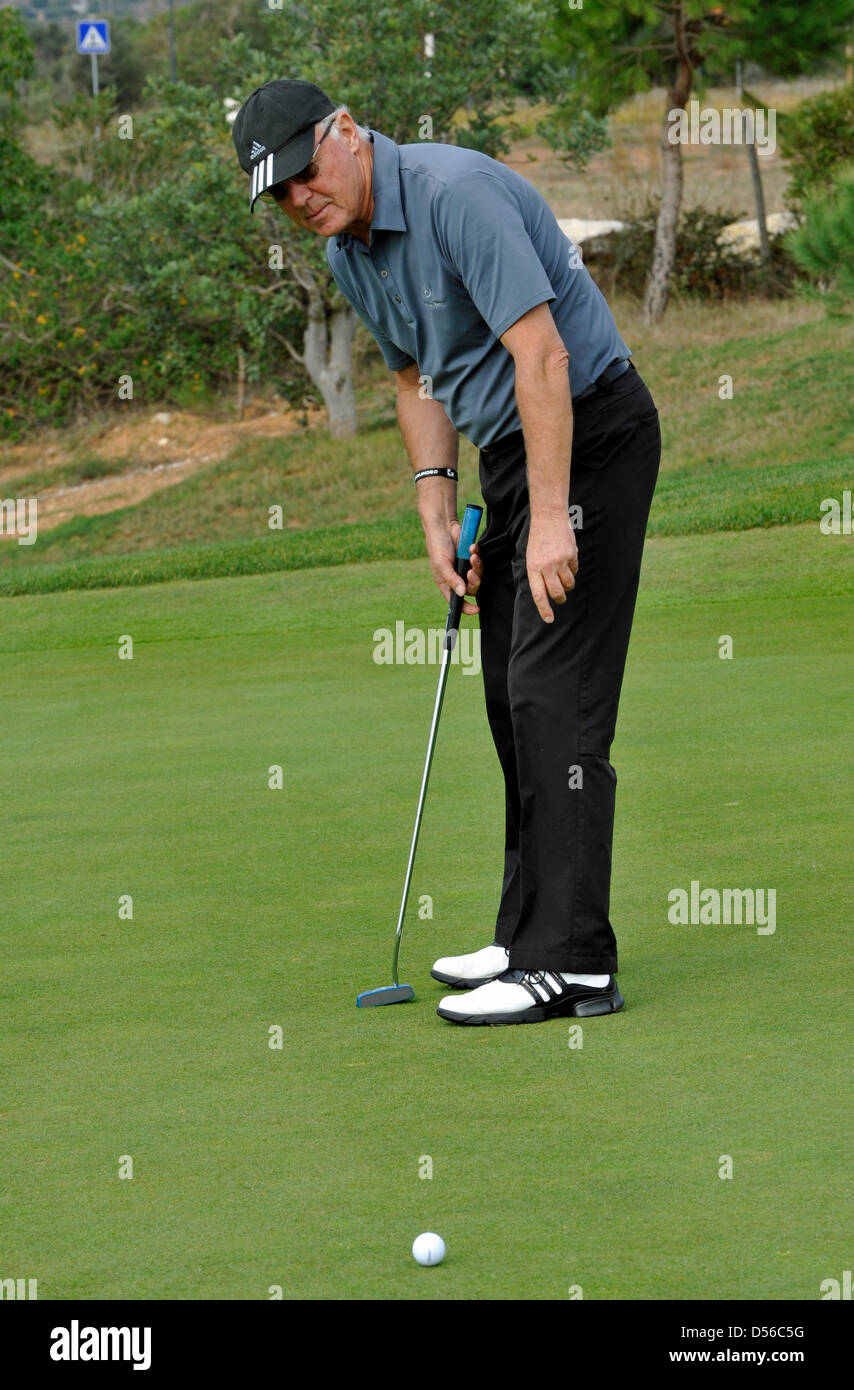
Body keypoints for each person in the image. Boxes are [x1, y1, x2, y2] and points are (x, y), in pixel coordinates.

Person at [232, 80, 661, 1027]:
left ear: (345, 132)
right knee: (511, 696)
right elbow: (414, 374)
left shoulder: (453, 194)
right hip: (518, 455)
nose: (301, 199)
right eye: (281, 194)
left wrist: (551, 517)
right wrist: (437, 503)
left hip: (588, 436)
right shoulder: (351, 250)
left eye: (305, 172)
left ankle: (575, 961)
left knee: (560, 693)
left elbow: (540, 356)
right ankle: (526, 934)